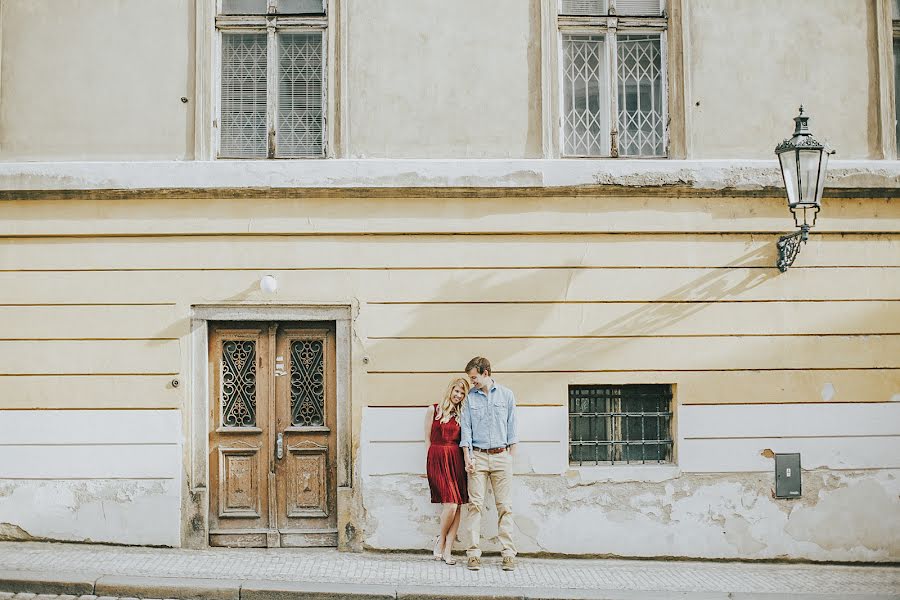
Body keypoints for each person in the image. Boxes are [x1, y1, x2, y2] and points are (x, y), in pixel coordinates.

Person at [459, 356, 518, 572]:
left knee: (505, 507)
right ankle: (473, 554)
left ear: (485, 373)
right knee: (474, 506)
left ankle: (509, 554)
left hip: (502, 455)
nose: (471, 381)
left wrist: (511, 455)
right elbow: (466, 429)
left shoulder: (506, 395)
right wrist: (468, 456)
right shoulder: (470, 399)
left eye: (474, 377)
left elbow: (513, 427)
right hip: (478, 456)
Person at [425, 377, 471, 565]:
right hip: (437, 457)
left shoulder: (463, 415)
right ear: (450, 390)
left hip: (456, 459)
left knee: (457, 505)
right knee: (451, 505)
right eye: (456, 391)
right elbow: (427, 439)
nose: (458, 395)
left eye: (462, 393)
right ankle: (441, 539)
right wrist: (430, 462)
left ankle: (448, 551)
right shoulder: (433, 409)